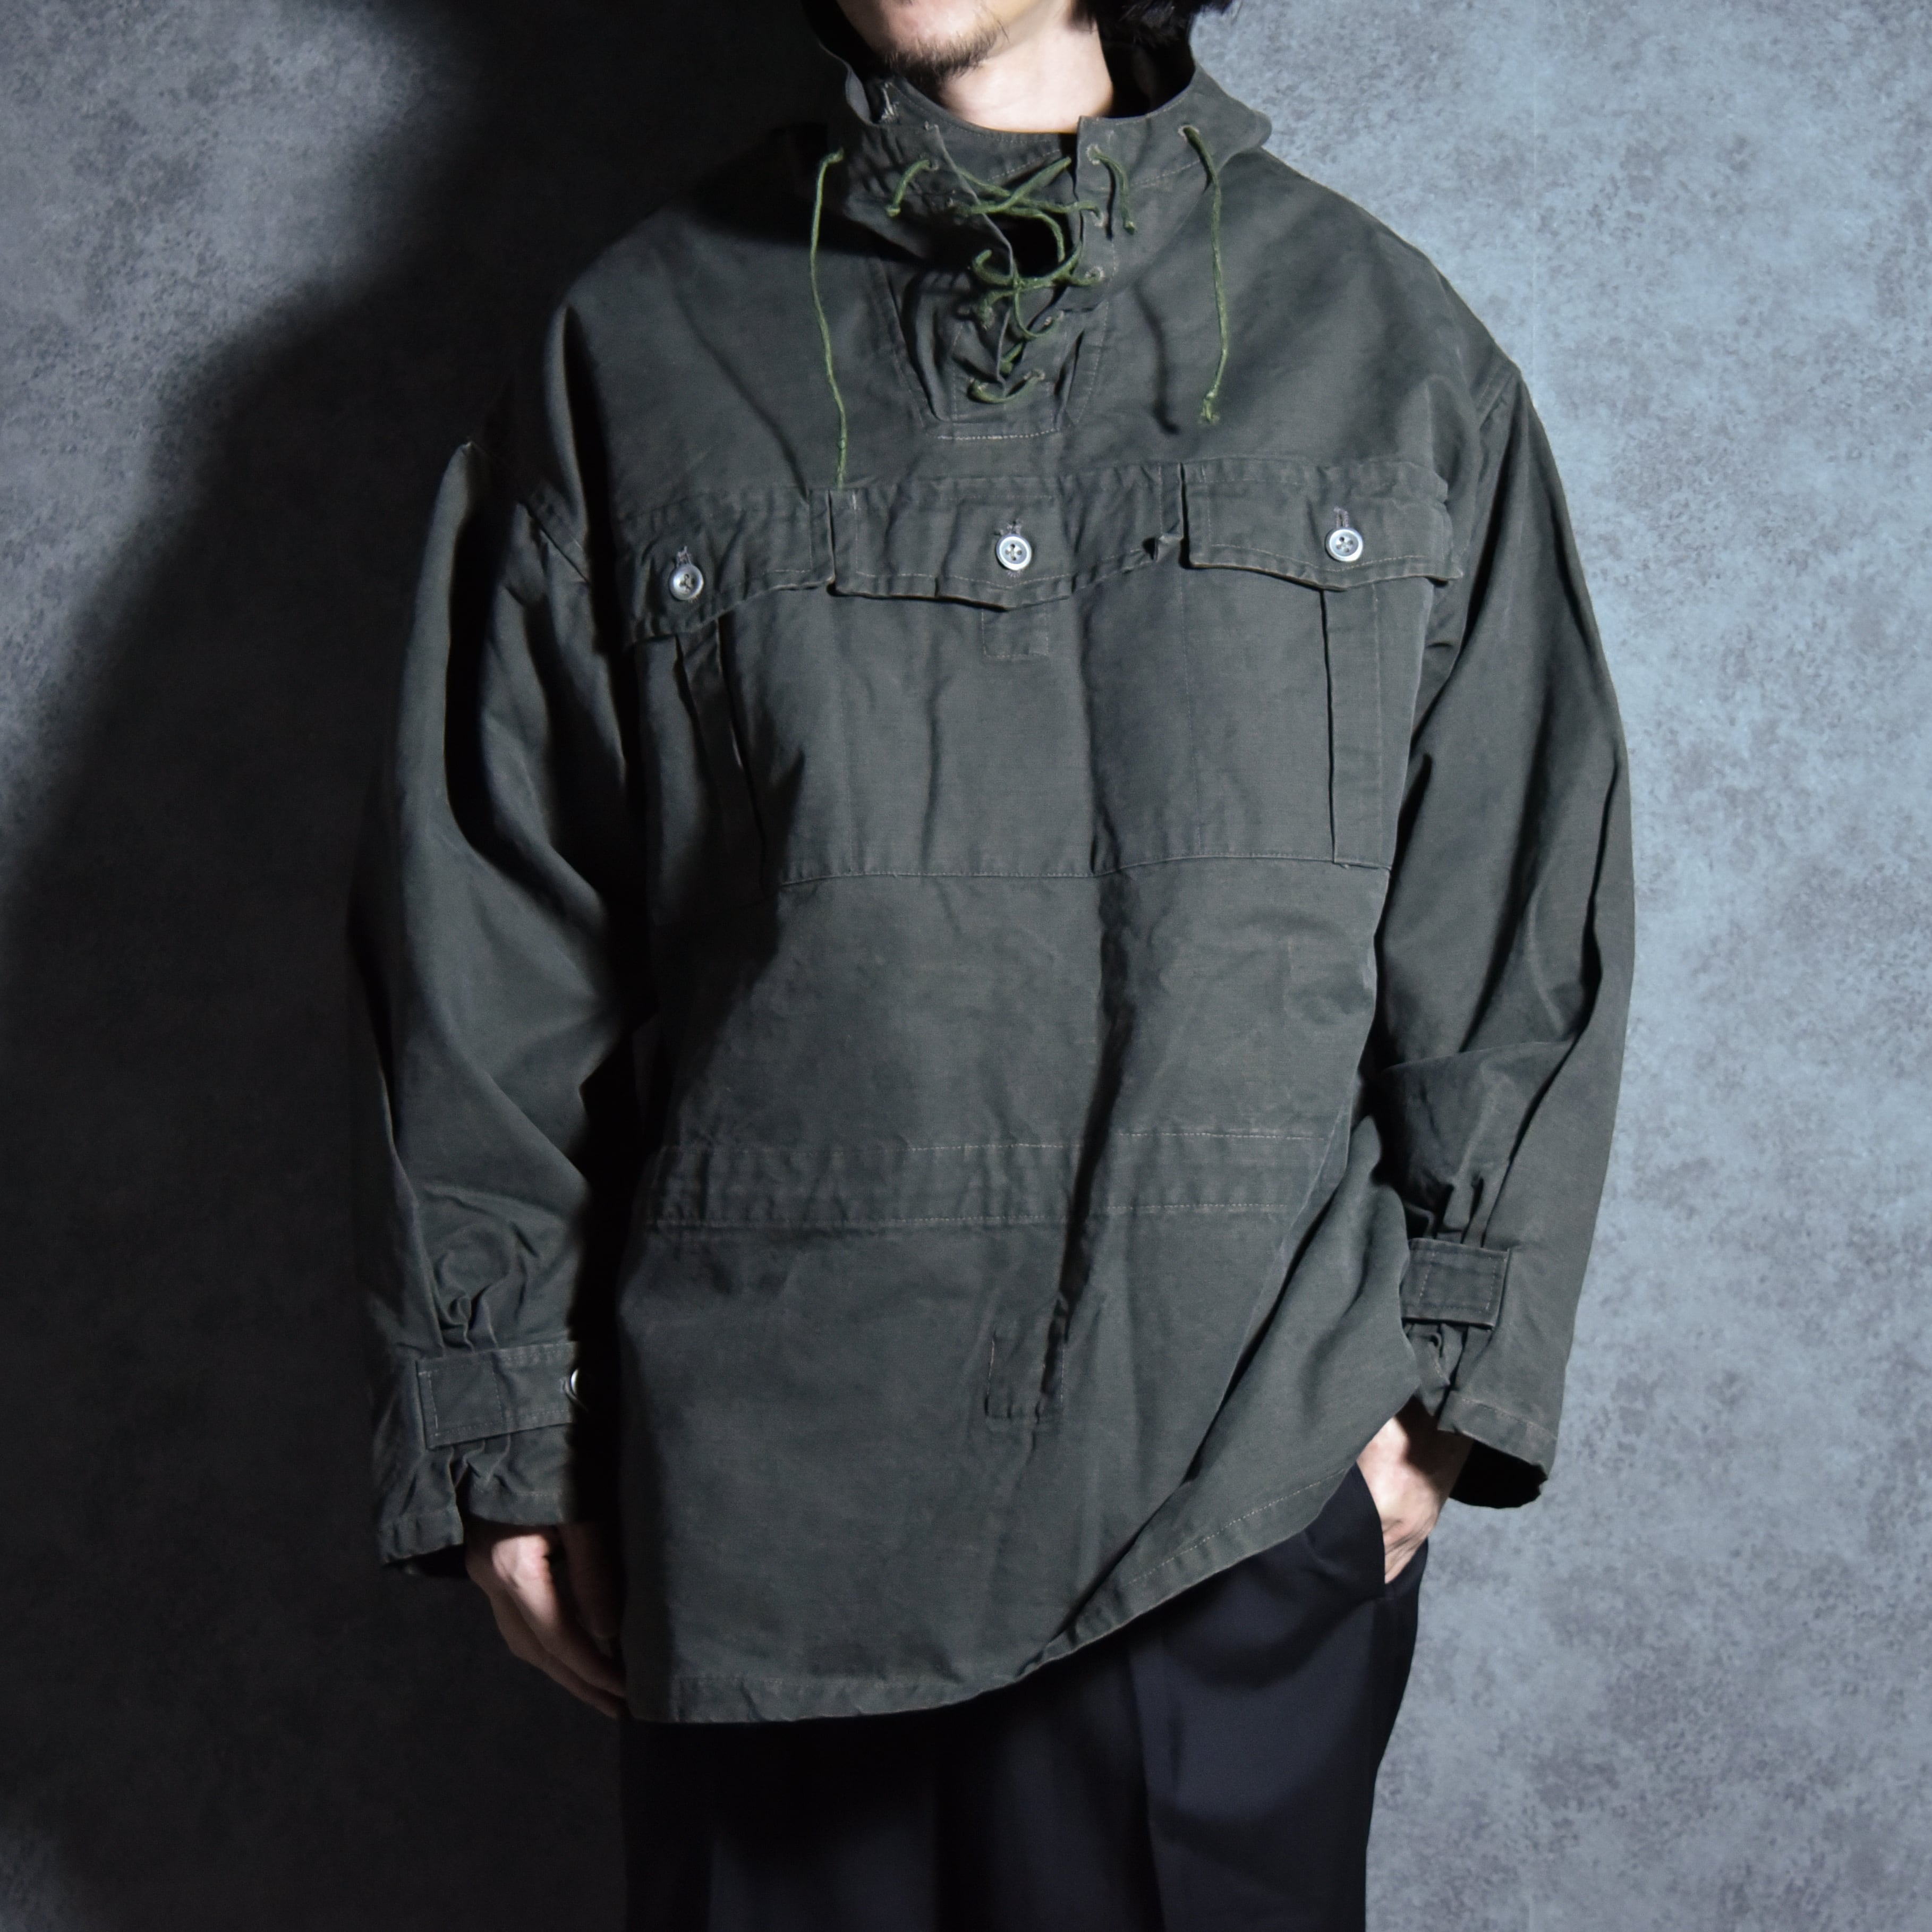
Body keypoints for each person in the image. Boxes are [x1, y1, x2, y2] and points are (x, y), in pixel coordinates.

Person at [350, 0, 1632, 1921]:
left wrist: (1441, 1390)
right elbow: (487, 928)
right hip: (765, 1526)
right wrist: (497, 1420)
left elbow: (1518, 890)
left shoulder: (1381, 340)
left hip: (1226, 1507)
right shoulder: (634, 346)